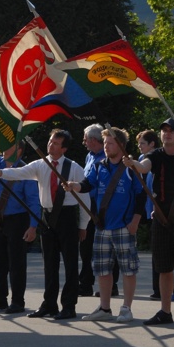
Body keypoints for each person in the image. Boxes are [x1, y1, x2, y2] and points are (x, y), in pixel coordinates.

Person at [0, 129, 89, 320]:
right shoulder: (41, 165)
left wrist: (83, 225)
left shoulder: (74, 167)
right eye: (50, 141)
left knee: (70, 263)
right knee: (49, 264)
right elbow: (19, 172)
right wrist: (0, 172)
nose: (51, 145)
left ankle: (68, 305)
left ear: (64, 148)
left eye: (56, 143)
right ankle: (49, 304)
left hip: (67, 217)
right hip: (47, 216)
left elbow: (85, 197)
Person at [123, 118, 174, 328]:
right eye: (164, 131)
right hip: (160, 216)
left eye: (171, 131)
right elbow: (144, 167)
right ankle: (165, 311)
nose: (167, 133)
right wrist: (133, 164)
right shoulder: (155, 155)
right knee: (163, 267)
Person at [72, 128, 146, 323]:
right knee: (102, 269)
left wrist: (135, 221)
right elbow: (87, 184)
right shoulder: (99, 166)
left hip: (124, 225)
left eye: (110, 143)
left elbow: (141, 195)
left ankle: (126, 308)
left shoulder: (131, 167)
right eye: (105, 143)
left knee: (128, 269)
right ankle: (105, 308)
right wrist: (74, 186)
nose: (106, 147)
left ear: (121, 146)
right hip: (102, 226)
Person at [0, 145, 39, 314]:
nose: (3, 148)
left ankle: (18, 301)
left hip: (18, 220)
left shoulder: (26, 170)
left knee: (16, 263)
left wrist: (33, 226)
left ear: (19, 150)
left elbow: (33, 200)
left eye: (8, 146)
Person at [136, 130, 165, 300]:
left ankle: (165, 289)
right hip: (147, 209)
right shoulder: (141, 160)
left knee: (160, 250)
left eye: (143, 143)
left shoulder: (158, 159)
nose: (140, 146)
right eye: (139, 143)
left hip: (156, 208)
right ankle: (157, 289)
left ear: (152, 144)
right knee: (155, 249)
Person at [78, 124, 106, 297]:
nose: (84, 142)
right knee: (86, 245)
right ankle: (85, 284)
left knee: (106, 245)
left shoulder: (108, 156)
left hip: (102, 205)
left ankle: (112, 284)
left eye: (85, 139)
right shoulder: (89, 156)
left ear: (94, 140)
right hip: (88, 204)